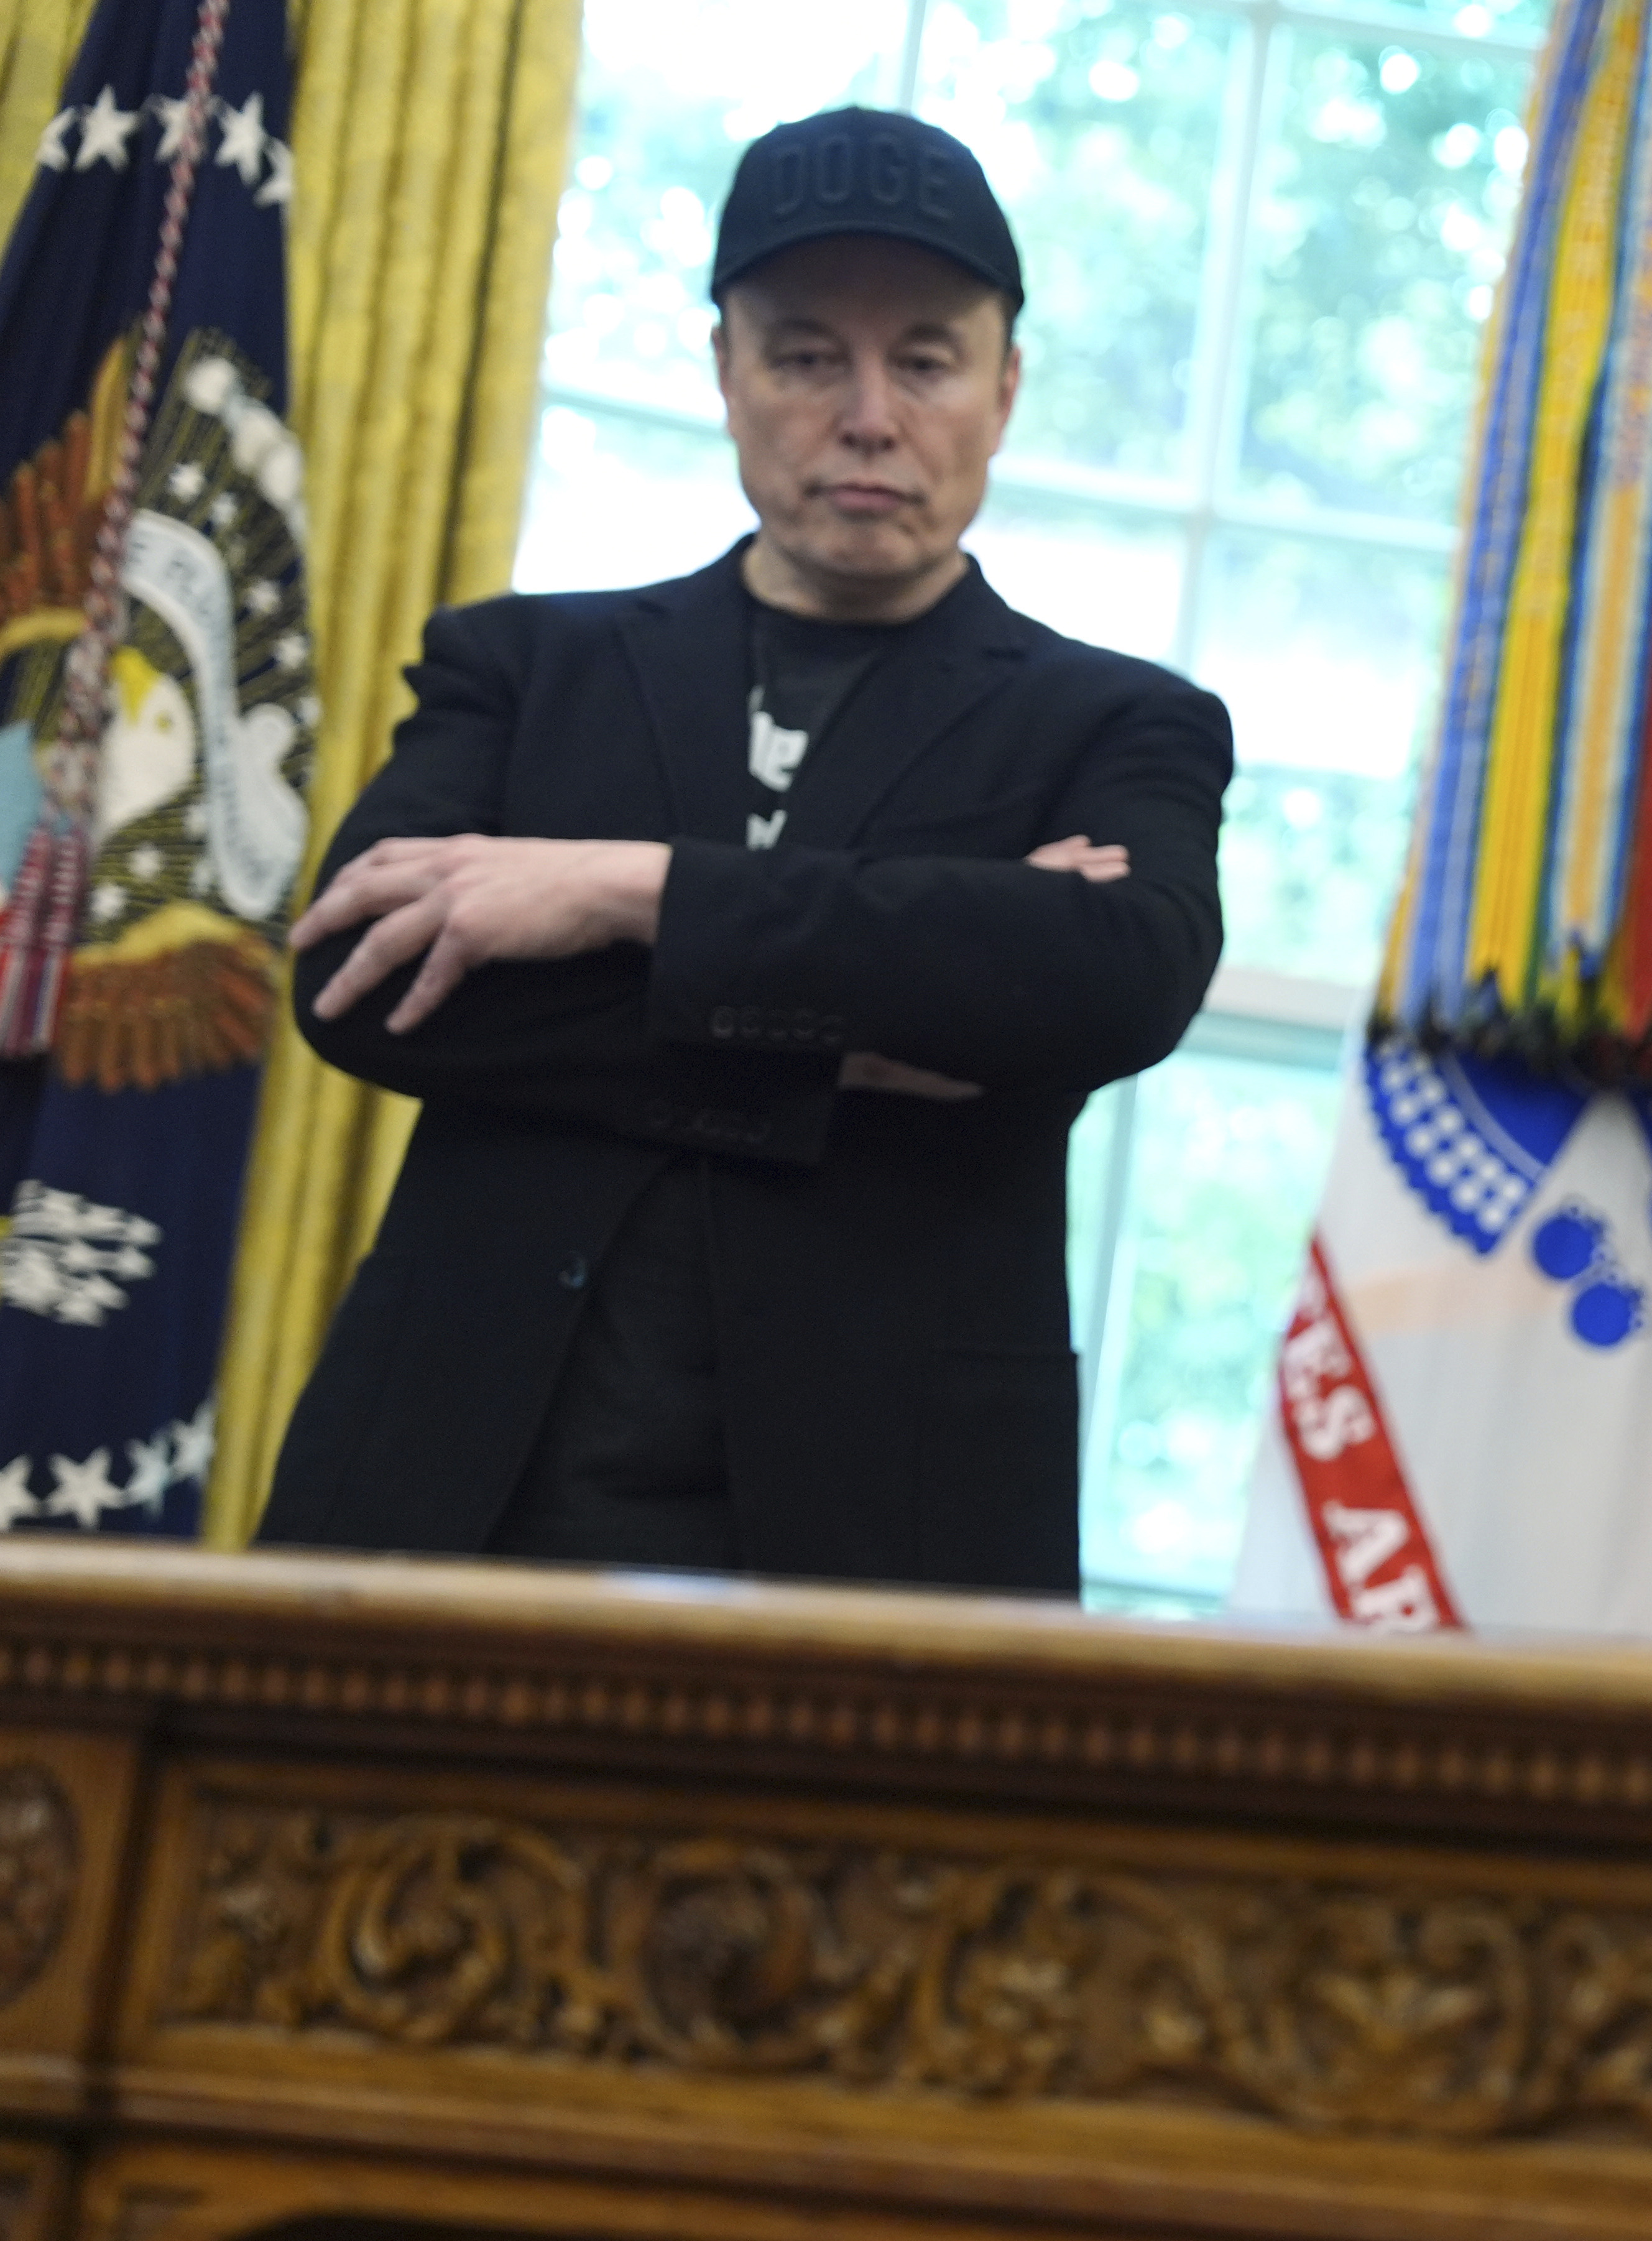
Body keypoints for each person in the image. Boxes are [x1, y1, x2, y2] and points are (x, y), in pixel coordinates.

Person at [253, 109, 1228, 1592]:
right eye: (805, 357)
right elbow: (360, 979)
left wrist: (613, 888)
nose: (868, 416)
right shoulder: (520, 665)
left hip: (892, 1532)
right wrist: (857, 1026)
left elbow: (1109, 978)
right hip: (446, 1493)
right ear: (725, 371)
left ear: (1004, 387)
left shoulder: (1116, 722)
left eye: (925, 361)